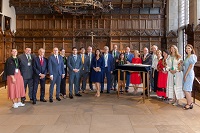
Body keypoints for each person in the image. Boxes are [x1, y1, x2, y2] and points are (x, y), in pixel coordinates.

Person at [183, 44, 197, 110]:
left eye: (189, 48)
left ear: (191, 49)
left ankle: (189, 104)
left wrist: (186, 74)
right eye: (186, 48)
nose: (187, 49)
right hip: (186, 73)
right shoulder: (187, 56)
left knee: (186, 89)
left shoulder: (192, 56)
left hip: (189, 73)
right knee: (188, 89)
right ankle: (189, 102)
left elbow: (190, 66)